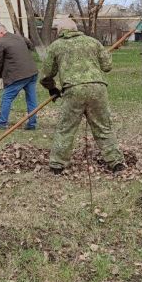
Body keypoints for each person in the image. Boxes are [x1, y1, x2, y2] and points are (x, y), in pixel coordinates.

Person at [39, 17, 125, 174]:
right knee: (103, 127)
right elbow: (107, 66)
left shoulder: (56, 46)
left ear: (60, 31)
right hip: (98, 88)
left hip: (73, 90)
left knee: (66, 128)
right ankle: (117, 163)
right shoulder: (93, 42)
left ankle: (57, 166)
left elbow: (46, 74)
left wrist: (52, 88)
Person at [0, 23, 38, 130]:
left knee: (7, 98)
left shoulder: (0, 43)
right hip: (32, 72)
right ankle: (32, 124)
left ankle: (1, 123)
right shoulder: (19, 37)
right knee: (31, 99)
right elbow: (30, 45)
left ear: (1, 32)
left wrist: (1, 74)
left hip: (17, 75)